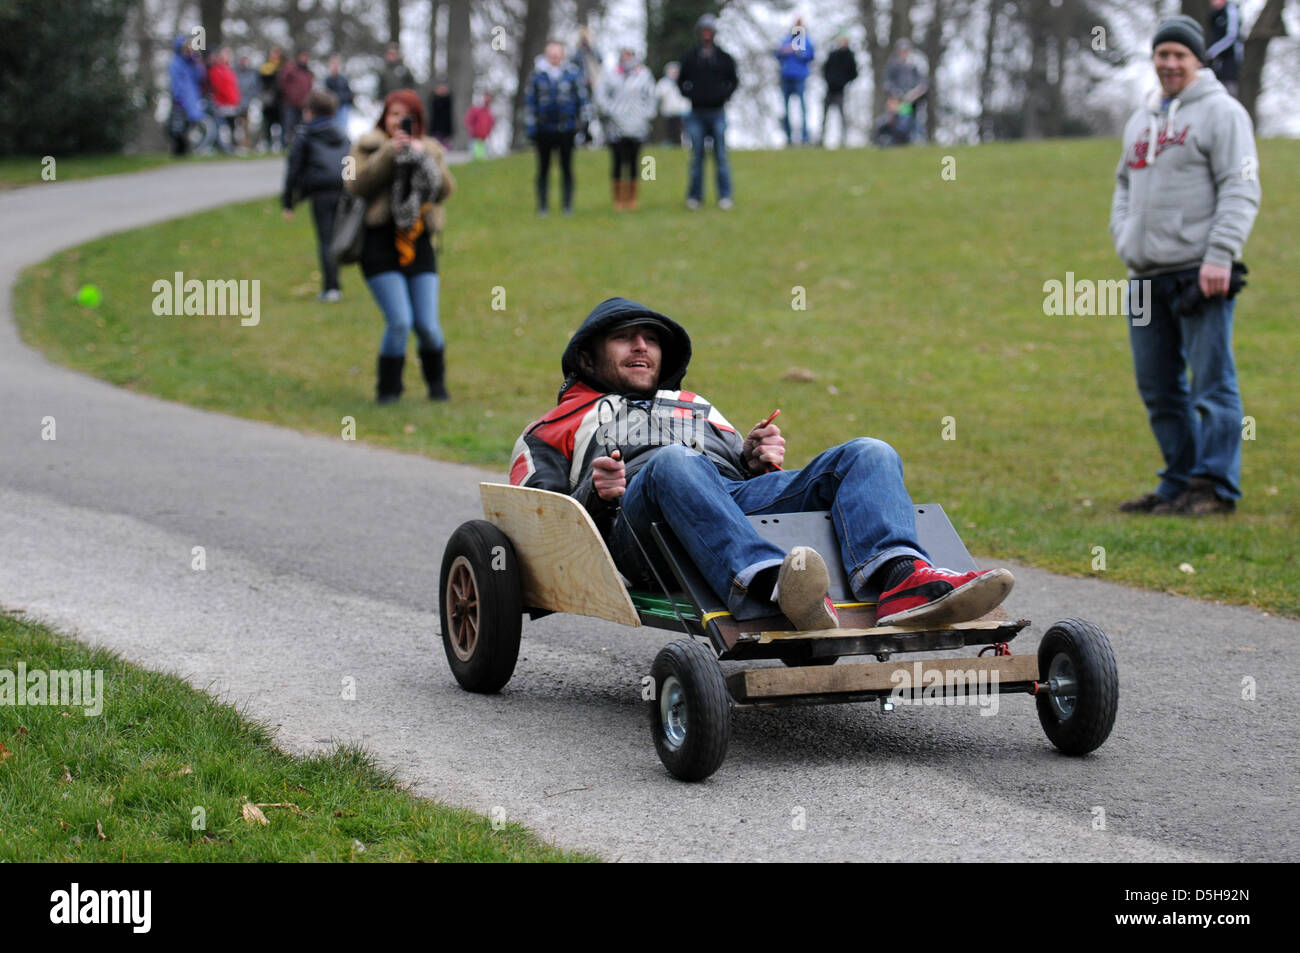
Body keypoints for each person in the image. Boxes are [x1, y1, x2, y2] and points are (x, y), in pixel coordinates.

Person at [509, 298, 1015, 630]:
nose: (642, 346)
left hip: (721, 508)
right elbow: (540, 522)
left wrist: (753, 459)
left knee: (869, 452)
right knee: (672, 463)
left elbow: (729, 485)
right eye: (625, 337)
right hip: (639, 535)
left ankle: (903, 580)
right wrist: (596, 495)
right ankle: (772, 585)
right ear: (587, 357)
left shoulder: (695, 404)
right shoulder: (551, 427)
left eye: (652, 339)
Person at [1110, 15, 1260, 516]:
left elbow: (1241, 186)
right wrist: (1124, 237)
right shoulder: (1141, 120)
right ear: (1153, 59)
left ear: (1198, 59)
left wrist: (1220, 255)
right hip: (1145, 274)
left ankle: (1214, 486)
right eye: (1162, 54)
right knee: (1158, 386)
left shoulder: (1223, 113)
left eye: (1180, 54)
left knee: (1211, 383)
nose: (1170, 63)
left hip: (1199, 272)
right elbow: (1123, 188)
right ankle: (1178, 482)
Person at [345, 90, 457, 403]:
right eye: (393, 114)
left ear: (417, 121)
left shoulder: (430, 148)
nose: (398, 121)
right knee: (399, 321)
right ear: (384, 117)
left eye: (405, 116)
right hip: (378, 244)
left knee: (428, 326)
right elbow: (354, 184)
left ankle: (437, 389)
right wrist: (388, 154)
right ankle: (388, 392)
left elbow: (446, 190)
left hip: (419, 243)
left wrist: (424, 156)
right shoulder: (366, 146)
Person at [282, 89, 351, 303]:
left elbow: (294, 169)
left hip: (320, 193)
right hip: (343, 191)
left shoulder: (305, 137)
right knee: (338, 237)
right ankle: (335, 282)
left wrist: (289, 201)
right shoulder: (343, 136)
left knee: (326, 239)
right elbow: (352, 163)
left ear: (310, 112)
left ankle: (331, 287)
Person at [677, 14, 738, 210]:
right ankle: (695, 196)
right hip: (696, 114)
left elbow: (734, 81)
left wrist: (723, 95)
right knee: (697, 157)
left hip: (717, 112)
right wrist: (691, 95)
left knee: (720, 156)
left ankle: (725, 196)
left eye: (709, 31)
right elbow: (681, 81)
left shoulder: (724, 58)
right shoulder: (690, 57)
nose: (706, 35)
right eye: (703, 31)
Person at [525, 41, 588, 217]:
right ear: (547, 55)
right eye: (551, 55)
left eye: (557, 55)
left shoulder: (572, 74)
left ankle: (567, 205)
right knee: (543, 169)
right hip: (544, 129)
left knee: (567, 168)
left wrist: (583, 127)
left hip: (566, 129)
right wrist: (531, 128)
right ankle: (542, 206)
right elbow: (530, 102)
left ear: (562, 55)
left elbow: (582, 101)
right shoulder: (537, 74)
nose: (554, 58)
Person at [598, 47, 656, 212]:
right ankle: (618, 199)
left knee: (634, 162)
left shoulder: (644, 75)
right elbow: (601, 96)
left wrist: (645, 115)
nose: (627, 57)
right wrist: (611, 112)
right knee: (617, 162)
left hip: (637, 128)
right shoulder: (612, 74)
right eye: (625, 54)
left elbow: (651, 98)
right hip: (616, 127)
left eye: (630, 54)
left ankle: (632, 198)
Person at [774, 17, 815, 146]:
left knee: (802, 109)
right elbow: (777, 53)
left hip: (800, 79)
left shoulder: (806, 41)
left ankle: (804, 138)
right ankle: (788, 138)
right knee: (786, 110)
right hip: (786, 78)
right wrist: (784, 50)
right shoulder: (786, 40)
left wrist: (797, 51)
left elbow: (810, 56)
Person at [167, 36, 206, 156]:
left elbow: (201, 77)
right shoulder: (175, 63)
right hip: (181, 100)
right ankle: (179, 152)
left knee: (190, 127)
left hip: (192, 100)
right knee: (178, 128)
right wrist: (178, 97)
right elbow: (175, 82)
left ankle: (188, 150)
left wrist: (196, 62)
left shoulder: (191, 64)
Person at [883, 39, 927, 143]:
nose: (904, 53)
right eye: (902, 51)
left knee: (917, 120)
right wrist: (896, 93)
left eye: (906, 51)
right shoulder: (893, 66)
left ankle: (919, 140)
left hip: (914, 100)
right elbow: (887, 83)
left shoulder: (914, 66)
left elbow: (922, 82)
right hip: (898, 101)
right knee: (901, 122)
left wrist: (916, 92)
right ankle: (898, 141)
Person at [820, 31, 858, 147]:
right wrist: (829, 81)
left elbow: (854, 73)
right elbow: (824, 70)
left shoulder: (850, 56)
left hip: (841, 92)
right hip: (829, 90)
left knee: (842, 116)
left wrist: (844, 82)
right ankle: (821, 140)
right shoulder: (832, 55)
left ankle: (844, 140)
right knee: (825, 117)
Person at [1205, 0, 1243, 98]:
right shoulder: (1214, 15)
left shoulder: (1231, 11)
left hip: (1229, 65)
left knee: (1228, 95)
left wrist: (1212, 52)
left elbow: (1231, 36)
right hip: (1216, 65)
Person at [207, 47, 241, 153]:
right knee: (223, 128)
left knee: (233, 127)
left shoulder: (230, 70)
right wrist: (225, 99)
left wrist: (236, 100)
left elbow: (234, 87)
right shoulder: (216, 70)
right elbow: (218, 87)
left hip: (232, 104)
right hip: (222, 104)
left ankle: (233, 147)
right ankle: (224, 148)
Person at [278, 51, 314, 147]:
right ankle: (285, 145)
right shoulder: (290, 68)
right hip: (289, 103)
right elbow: (282, 83)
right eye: (303, 56)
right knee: (288, 126)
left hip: (303, 105)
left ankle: (297, 146)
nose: (305, 59)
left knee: (300, 127)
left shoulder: (308, 72)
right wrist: (289, 95)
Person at [655, 62, 690, 147]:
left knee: (683, 130)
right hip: (669, 113)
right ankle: (673, 144)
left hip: (683, 112)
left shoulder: (684, 82)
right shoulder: (663, 83)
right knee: (671, 130)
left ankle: (683, 145)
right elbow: (658, 95)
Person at [258, 47, 286, 152]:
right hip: (268, 102)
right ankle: (268, 144)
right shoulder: (265, 68)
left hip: (280, 102)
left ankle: (280, 144)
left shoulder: (283, 68)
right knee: (267, 124)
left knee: (281, 124)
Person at [236, 54, 262, 149]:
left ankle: (251, 145)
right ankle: (239, 145)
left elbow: (256, 87)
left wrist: (253, 99)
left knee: (251, 126)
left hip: (250, 103)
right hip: (238, 104)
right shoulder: (236, 72)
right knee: (239, 127)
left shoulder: (253, 73)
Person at [325, 55, 355, 133]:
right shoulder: (328, 79)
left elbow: (348, 92)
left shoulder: (343, 79)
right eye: (333, 64)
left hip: (343, 107)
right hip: (333, 108)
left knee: (342, 129)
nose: (335, 67)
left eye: (336, 65)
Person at [463, 93, 495, 160]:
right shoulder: (475, 110)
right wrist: (472, 131)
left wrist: (488, 133)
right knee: (473, 156)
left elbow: (490, 124)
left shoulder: (489, 112)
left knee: (482, 157)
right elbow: (469, 121)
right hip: (475, 137)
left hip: (484, 137)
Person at [428, 82, 454, 148]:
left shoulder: (448, 100)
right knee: (436, 142)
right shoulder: (435, 100)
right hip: (436, 127)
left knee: (446, 142)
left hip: (446, 127)